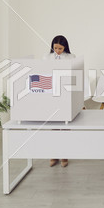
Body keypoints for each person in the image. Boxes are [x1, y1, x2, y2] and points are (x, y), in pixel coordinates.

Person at [44, 35, 75, 168]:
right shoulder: (46, 57)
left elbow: (75, 76)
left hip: (66, 94)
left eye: (60, 48)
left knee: (65, 126)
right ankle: (54, 154)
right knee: (54, 127)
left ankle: (64, 155)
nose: (57, 51)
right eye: (55, 48)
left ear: (65, 47)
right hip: (52, 95)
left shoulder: (71, 57)